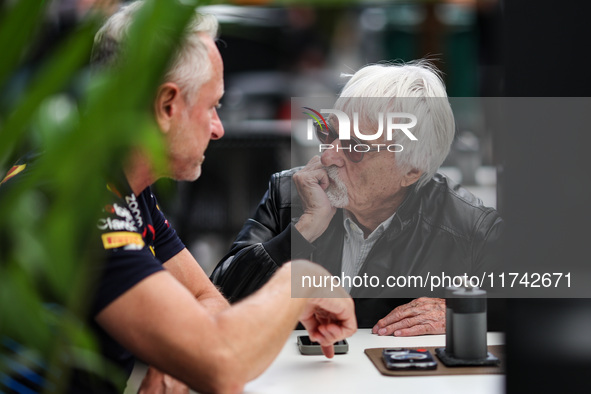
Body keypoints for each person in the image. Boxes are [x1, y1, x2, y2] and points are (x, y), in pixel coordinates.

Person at [1, 1, 356, 393]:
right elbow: (221, 362)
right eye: (213, 105)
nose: (219, 129)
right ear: (167, 106)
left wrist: (177, 354)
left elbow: (207, 297)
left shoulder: (114, 180)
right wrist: (301, 276)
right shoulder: (78, 203)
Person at [211, 61, 503, 336]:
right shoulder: (291, 193)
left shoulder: (468, 227)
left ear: (411, 170)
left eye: (354, 147)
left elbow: (533, 302)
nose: (327, 155)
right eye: (328, 132)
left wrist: (461, 310)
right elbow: (218, 299)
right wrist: (302, 232)